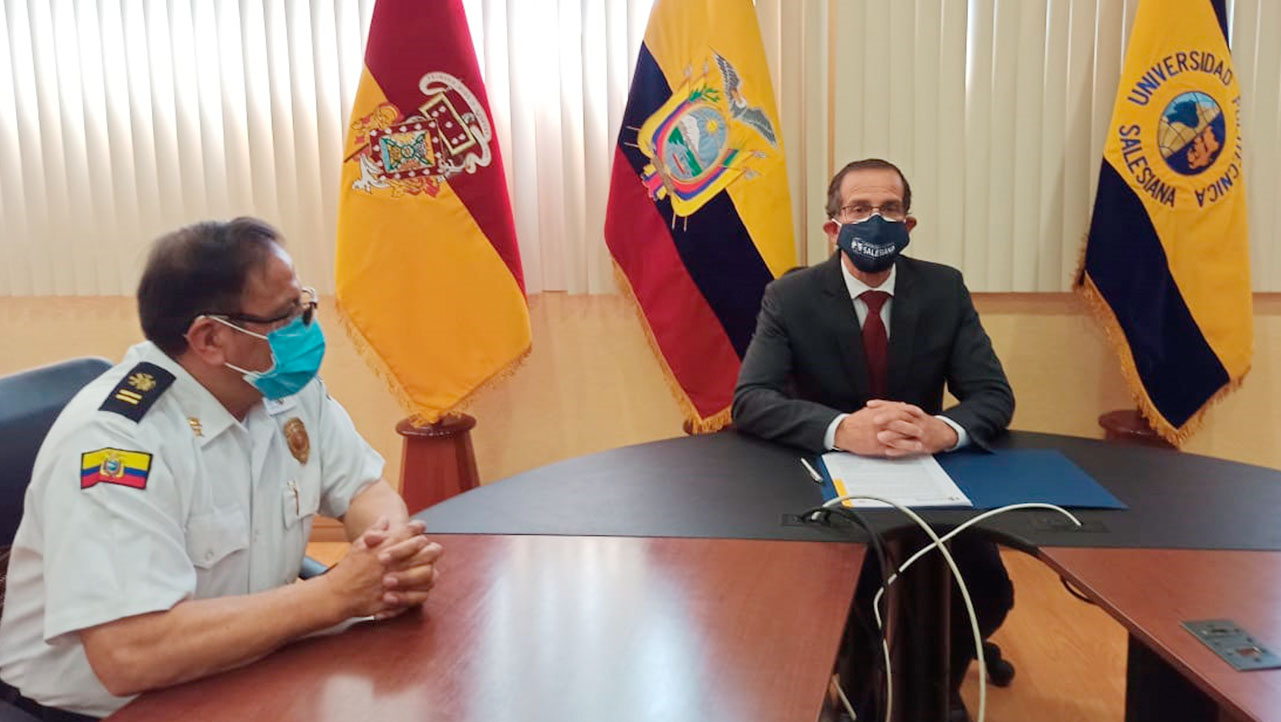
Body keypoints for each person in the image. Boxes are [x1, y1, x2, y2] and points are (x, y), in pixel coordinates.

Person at [0, 218, 443, 720]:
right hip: (108, 710)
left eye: (304, 306)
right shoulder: (118, 443)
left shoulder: (280, 389)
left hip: (244, 674)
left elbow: (364, 488)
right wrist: (334, 596)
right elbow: (129, 653)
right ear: (210, 339)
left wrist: (388, 556)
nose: (306, 330)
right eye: (285, 317)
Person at [733, 159, 1015, 721]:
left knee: (986, 588)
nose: (875, 220)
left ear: (909, 226)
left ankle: (932, 691)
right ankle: (858, 701)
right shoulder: (789, 297)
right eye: (860, 209)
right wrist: (841, 429)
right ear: (833, 227)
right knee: (857, 597)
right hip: (829, 480)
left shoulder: (943, 288)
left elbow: (993, 395)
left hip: (925, 473)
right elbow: (752, 399)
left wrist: (944, 428)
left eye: (889, 209)